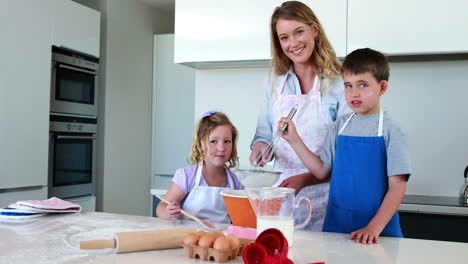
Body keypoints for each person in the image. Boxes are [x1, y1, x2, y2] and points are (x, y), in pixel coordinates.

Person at [279, 48, 411, 244]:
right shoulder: (339, 127)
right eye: (348, 86)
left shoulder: (391, 131)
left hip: (379, 235)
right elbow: (322, 171)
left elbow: (397, 187)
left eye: (363, 85)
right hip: (337, 229)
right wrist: (294, 140)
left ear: (382, 88)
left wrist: (373, 228)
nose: (354, 93)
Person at [248, 1, 351, 230]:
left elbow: (345, 154)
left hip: (328, 196)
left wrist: (307, 179)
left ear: (314, 30)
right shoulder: (274, 82)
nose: (292, 43)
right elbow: (264, 133)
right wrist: (261, 147)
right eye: (284, 37)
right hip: (283, 196)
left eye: (299, 32)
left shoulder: (340, 83)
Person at [156, 111, 244, 223]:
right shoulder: (187, 176)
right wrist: (168, 212)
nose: (221, 148)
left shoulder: (236, 181)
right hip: (190, 236)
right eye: (213, 141)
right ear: (200, 144)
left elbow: (241, 217)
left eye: (227, 141)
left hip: (221, 238)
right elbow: (161, 207)